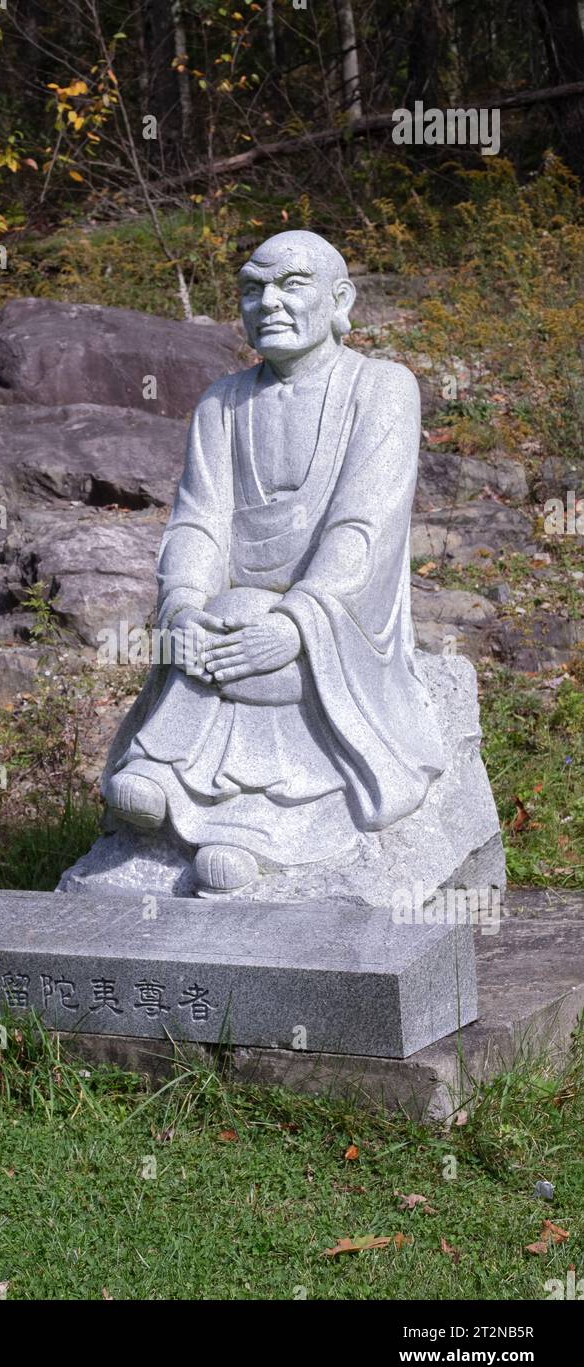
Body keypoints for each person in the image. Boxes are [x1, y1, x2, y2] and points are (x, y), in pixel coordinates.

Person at [104, 230, 446, 895]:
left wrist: (297, 623)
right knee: (224, 614)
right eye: (251, 290)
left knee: (287, 661)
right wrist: (183, 606)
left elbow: (363, 528)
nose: (269, 304)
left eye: (291, 285)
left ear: (339, 298)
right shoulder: (222, 403)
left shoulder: (380, 390)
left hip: (335, 622)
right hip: (240, 619)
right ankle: (168, 773)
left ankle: (259, 832)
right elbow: (198, 523)